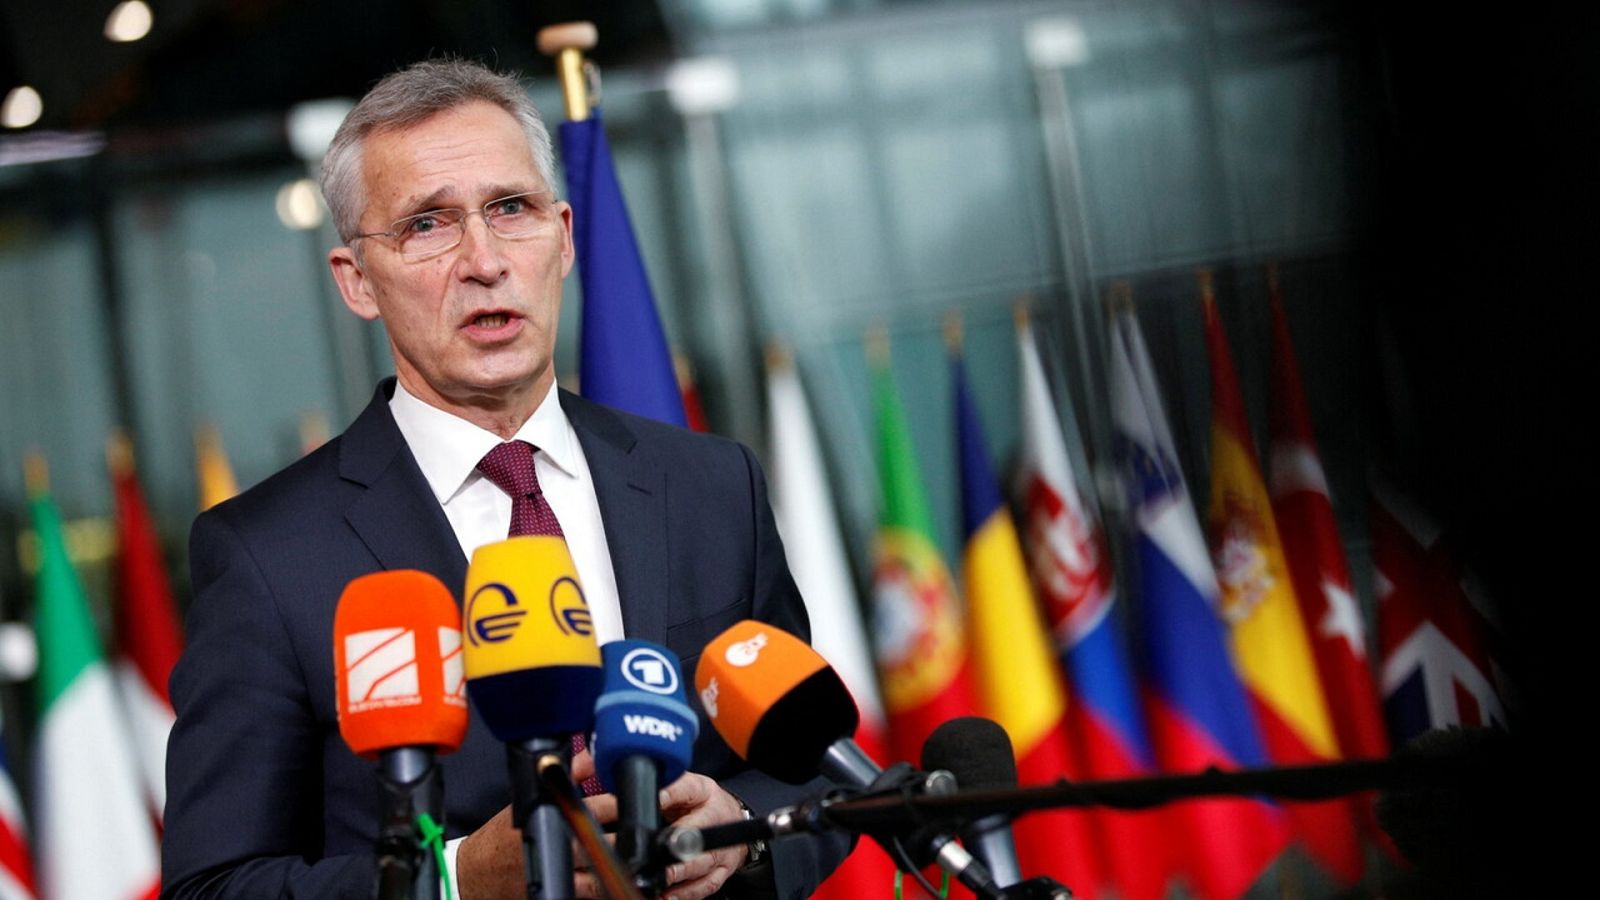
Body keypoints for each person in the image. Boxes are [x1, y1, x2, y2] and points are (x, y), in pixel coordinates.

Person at [162, 59, 848, 899]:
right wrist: (455, 880)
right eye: (427, 225)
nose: (483, 260)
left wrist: (741, 833)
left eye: (509, 209)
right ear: (356, 281)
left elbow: (818, 775)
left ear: (563, 237)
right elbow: (216, 885)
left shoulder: (709, 484)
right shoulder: (268, 558)